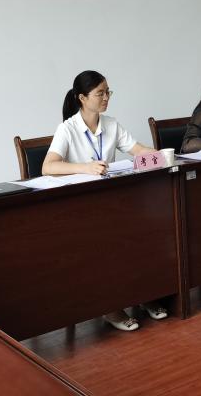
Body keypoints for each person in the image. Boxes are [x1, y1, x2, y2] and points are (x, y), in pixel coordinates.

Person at [42, 70, 168, 331]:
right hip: (82, 207)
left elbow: (137, 150)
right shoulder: (67, 128)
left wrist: (157, 155)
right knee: (110, 240)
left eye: (108, 92)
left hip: (112, 201)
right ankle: (111, 308)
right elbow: (48, 167)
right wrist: (85, 168)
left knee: (149, 229)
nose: (106, 97)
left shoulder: (111, 124)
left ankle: (144, 294)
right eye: (100, 93)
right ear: (82, 98)